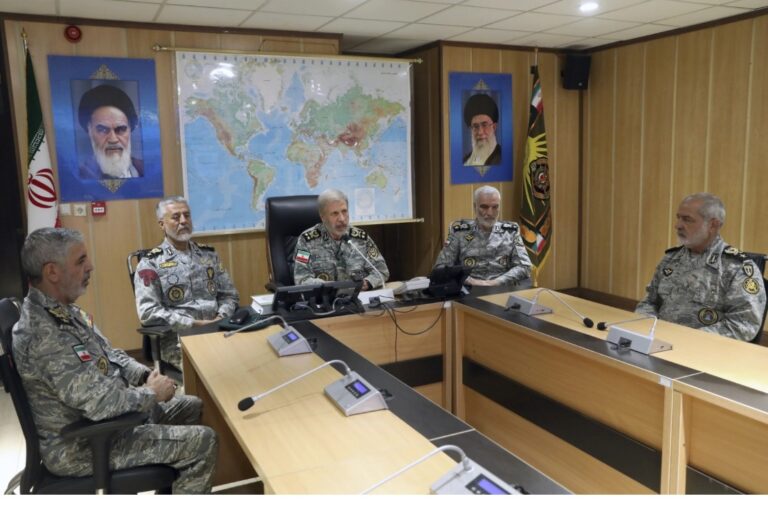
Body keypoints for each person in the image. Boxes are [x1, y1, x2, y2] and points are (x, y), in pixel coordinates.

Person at [12, 227, 217, 493]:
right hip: (83, 445)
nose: (91, 266)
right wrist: (151, 394)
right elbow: (100, 404)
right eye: (80, 260)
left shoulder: (63, 310)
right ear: (52, 272)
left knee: (192, 406)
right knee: (203, 442)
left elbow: (110, 355)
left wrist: (144, 376)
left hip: (107, 424)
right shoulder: (43, 333)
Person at [636, 193, 766, 342]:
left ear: (713, 225)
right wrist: (645, 329)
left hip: (704, 352)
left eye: (687, 219)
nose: (677, 225)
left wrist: (688, 340)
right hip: (659, 343)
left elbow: (744, 324)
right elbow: (649, 302)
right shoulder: (671, 259)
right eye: (678, 217)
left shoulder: (737, 268)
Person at [134, 196, 239, 370]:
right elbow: (148, 312)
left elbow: (229, 295)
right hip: (177, 339)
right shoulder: (150, 263)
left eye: (187, 215)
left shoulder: (208, 255)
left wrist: (221, 317)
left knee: (248, 358)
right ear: (162, 224)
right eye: (176, 217)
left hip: (218, 329)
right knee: (213, 368)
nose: (183, 221)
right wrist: (192, 324)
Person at [434, 186, 531, 287]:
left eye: (495, 207)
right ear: (475, 206)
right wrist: (468, 280)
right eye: (484, 207)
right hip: (468, 289)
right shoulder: (460, 233)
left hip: (501, 289)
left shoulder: (511, 232)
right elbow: (441, 267)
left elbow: (524, 267)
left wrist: (495, 282)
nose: (490, 213)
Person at [294, 189, 389, 290]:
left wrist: (367, 283)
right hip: (325, 301)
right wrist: (331, 287)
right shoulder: (306, 241)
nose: (342, 219)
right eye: (335, 214)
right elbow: (301, 279)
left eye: (344, 211)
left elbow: (381, 270)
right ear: (323, 217)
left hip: (358, 299)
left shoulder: (361, 238)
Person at [77, 84, 144, 180]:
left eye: (121, 129)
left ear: (130, 129)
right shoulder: (79, 177)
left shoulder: (145, 170)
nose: (113, 139)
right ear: (89, 131)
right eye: (102, 130)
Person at [463, 93, 501, 166]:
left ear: (494, 127)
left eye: (484, 125)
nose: (480, 132)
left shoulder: (501, 159)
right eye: (475, 126)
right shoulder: (465, 161)